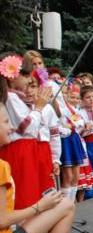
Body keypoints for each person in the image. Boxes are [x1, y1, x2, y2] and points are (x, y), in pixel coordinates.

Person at [0, 101, 77, 233]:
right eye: (6, 122)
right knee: (66, 205)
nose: (11, 127)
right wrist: (39, 207)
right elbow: (2, 220)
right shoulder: (1, 166)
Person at [0, 53, 54, 209]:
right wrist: (39, 107)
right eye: (25, 75)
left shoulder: (15, 97)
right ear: (12, 76)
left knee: (31, 192)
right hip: (20, 150)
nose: (29, 79)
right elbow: (27, 127)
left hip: (26, 149)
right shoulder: (11, 98)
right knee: (25, 195)